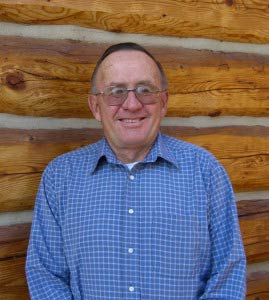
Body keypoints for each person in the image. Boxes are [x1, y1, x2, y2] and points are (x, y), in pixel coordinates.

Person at [26, 42, 246, 299]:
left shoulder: (205, 171)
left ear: (163, 102)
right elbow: (46, 277)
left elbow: (228, 275)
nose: (131, 104)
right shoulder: (60, 177)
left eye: (145, 90)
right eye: (116, 92)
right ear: (95, 106)